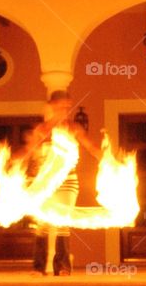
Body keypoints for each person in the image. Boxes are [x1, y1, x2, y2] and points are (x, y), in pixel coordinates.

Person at [18, 91, 101, 276]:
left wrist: (108, 158)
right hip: (45, 182)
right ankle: (38, 268)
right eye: (60, 106)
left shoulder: (74, 128)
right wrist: (13, 161)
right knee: (43, 223)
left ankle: (62, 266)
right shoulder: (42, 130)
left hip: (67, 182)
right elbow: (28, 151)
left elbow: (91, 147)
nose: (64, 110)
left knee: (62, 222)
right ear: (51, 106)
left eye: (67, 107)